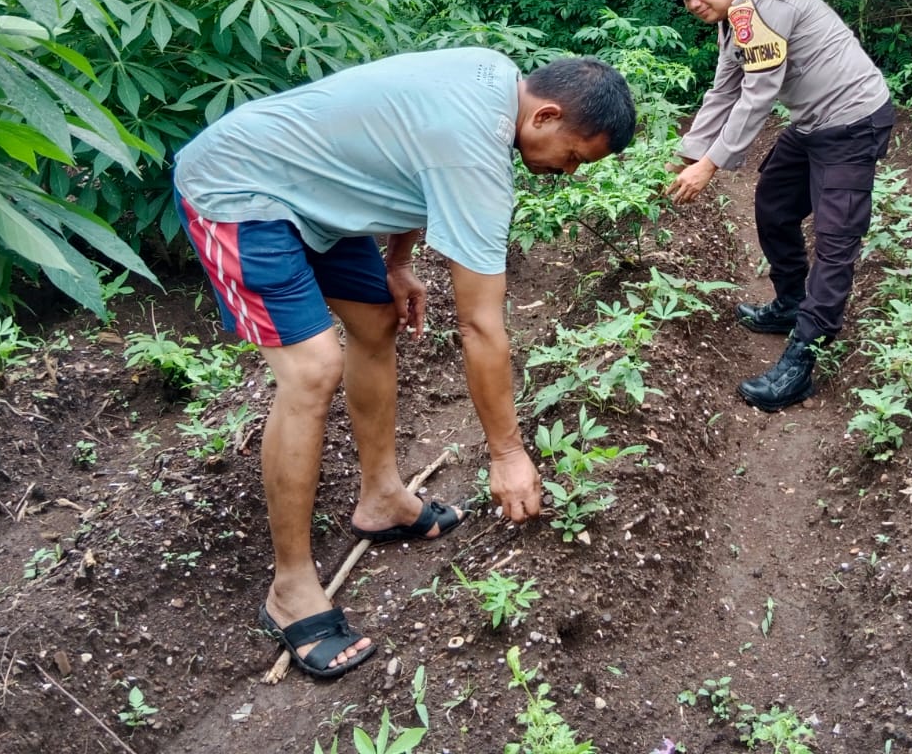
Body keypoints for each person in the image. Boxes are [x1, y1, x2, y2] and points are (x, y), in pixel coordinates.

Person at [172, 50, 635, 679]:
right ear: (546, 116)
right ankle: (290, 590)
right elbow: (479, 323)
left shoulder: (493, 79)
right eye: (574, 156)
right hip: (241, 188)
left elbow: (403, 153)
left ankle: (383, 497)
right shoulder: (475, 153)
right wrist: (506, 454)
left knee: (376, 319)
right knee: (312, 368)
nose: (569, 171)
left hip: (319, 192)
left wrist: (396, 260)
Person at [663, 0, 894, 412]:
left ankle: (803, 359)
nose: (693, 3)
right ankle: (791, 302)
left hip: (852, 122)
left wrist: (710, 165)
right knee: (774, 203)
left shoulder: (759, 9)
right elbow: (723, 91)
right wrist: (685, 156)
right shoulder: (734, 18)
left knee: (835, 243)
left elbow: (757, 96)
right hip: (813, 123)